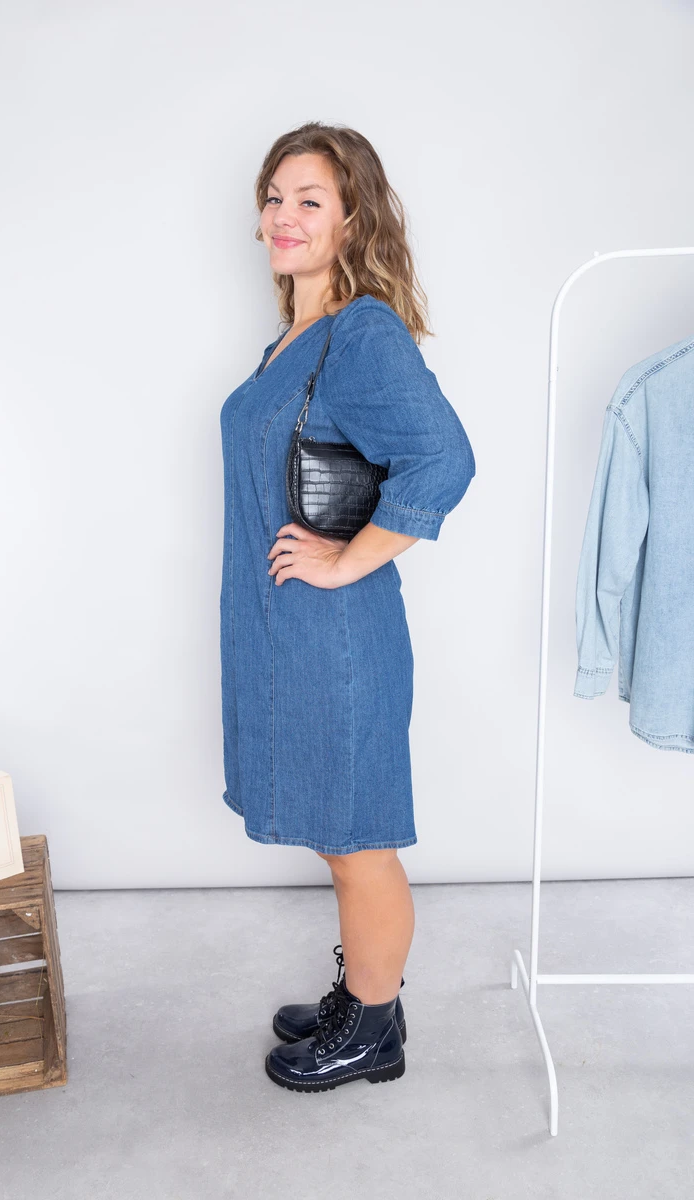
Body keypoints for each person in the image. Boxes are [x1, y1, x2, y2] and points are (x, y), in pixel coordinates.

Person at [219, 121, 476, 1092]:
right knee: (340, 836)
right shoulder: (296, 337)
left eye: (309, 200)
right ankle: (370, 1000)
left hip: (336, 640)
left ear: (351, 219)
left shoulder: (360, 332)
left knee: (356, 842)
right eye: (273, 197)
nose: (283, 217)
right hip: (291, 638)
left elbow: (442, 459)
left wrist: (343, 563)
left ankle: (370, 1031)